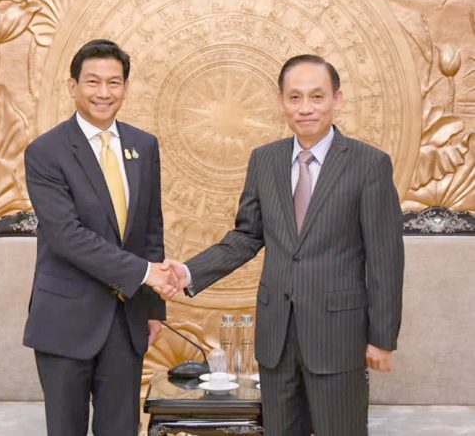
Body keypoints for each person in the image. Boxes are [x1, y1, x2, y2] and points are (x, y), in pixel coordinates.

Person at [165, 54, 404, 436]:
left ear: (337, 100)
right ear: (281, 102)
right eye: (295, 97)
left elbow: (385, 258)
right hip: (277, 335)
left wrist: (382, 338)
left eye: (316, 96)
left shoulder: (369, 164)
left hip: (338, 335)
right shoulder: (264, 160)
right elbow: (247, 235)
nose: (305, 108)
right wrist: (190, 271)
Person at [23, 39, 178, 436]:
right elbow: (67, 236)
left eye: (114, 82)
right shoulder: (46, 151)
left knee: (122, 429)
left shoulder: (143, 145)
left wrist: (152, 308)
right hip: (65, 321)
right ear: (72, 86)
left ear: (125, 87)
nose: (104, 92)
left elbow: (150, 229)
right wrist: (146, 273)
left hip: (126, 320)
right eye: (93, 82)